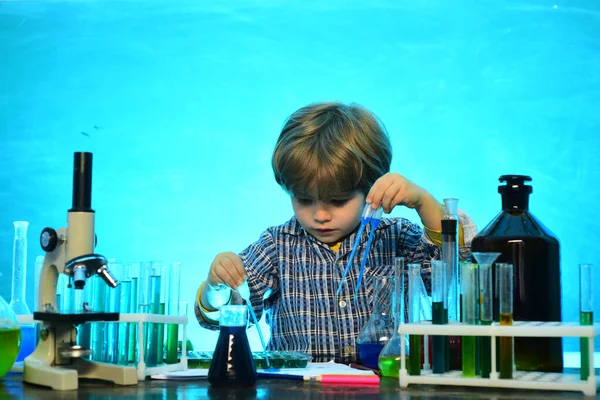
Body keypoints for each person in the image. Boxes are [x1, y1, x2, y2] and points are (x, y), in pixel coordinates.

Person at [195, 102, 476, 363]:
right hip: (298, 393)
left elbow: (457, 268)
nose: (320, 215)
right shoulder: (276, 246)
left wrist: (422, 201)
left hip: (386, 388)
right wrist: (216, 288)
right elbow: (227, 315)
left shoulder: (397, 237)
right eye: (304, 200)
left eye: (339, 201)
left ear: (371, 187)